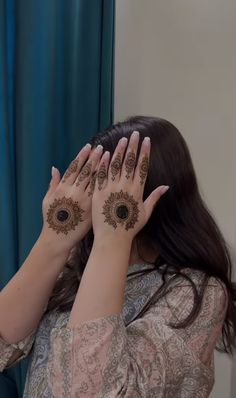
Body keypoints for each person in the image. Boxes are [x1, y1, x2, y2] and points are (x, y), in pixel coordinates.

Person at [0, 116, 235, 397]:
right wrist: (54, 239)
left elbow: (89, 389)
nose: (95, 195)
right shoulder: (76, 267)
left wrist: (114, 232)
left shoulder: (199, 291)